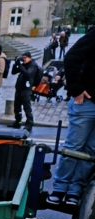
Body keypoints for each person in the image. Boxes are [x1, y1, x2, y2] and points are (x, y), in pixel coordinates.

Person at [47, 27, 95, 207]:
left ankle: (75, 191)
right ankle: (60, 189)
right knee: (74, 147)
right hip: (88, 101)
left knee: (91, 152)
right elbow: (71, 57)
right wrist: (76, 89)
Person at [9, 52, 37, 132]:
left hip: (26, 89)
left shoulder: (33, 65)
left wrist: (20, 65)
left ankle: (29, 124)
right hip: (19, 88)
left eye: (25, 57)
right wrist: (16, 64)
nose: (24, 59)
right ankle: (18, 122)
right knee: (17, 107)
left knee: (27, 107)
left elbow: (27, 74)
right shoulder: (24, 64)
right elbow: (14, 72)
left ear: (29, 58)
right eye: (23, 57)